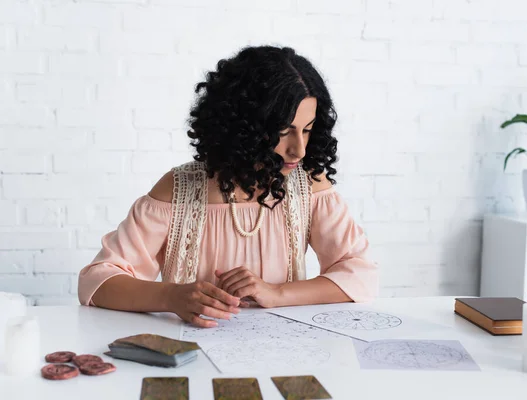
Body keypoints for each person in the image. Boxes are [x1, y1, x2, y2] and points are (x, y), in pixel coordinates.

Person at [78, 45, 378, 328]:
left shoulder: (308, 187)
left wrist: (277, 293)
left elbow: (360, 274)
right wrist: (172, 297)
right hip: (192, 356)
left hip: (286, 352)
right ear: (244, 128)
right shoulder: (179, 189)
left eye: (308, 130)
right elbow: (98, 281)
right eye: (284, 132)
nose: (298, 150)